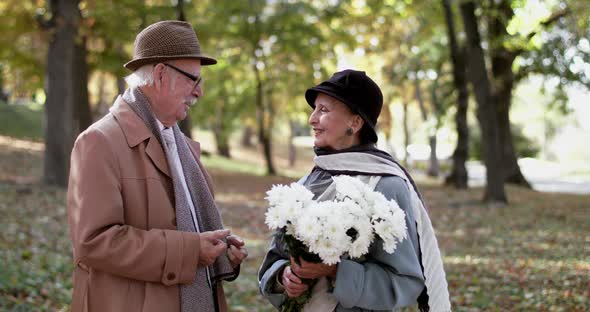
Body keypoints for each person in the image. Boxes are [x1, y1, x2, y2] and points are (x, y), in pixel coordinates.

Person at [67, 20, 248, 312]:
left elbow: (190, 225)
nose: (199, 92)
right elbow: (94, 242)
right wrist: (190, 251)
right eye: (194, 79)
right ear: (162, 74)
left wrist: (219, 251)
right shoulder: (99, 142)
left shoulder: (184, 147)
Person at [258, 70, 451, 311]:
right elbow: (275, 259)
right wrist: (284, 277)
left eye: (324, 110)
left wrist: (336, 271)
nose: (312, 119)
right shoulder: (307, 183)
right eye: (314, 109)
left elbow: (404, 282)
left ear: (355, 122)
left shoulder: (387, 185)